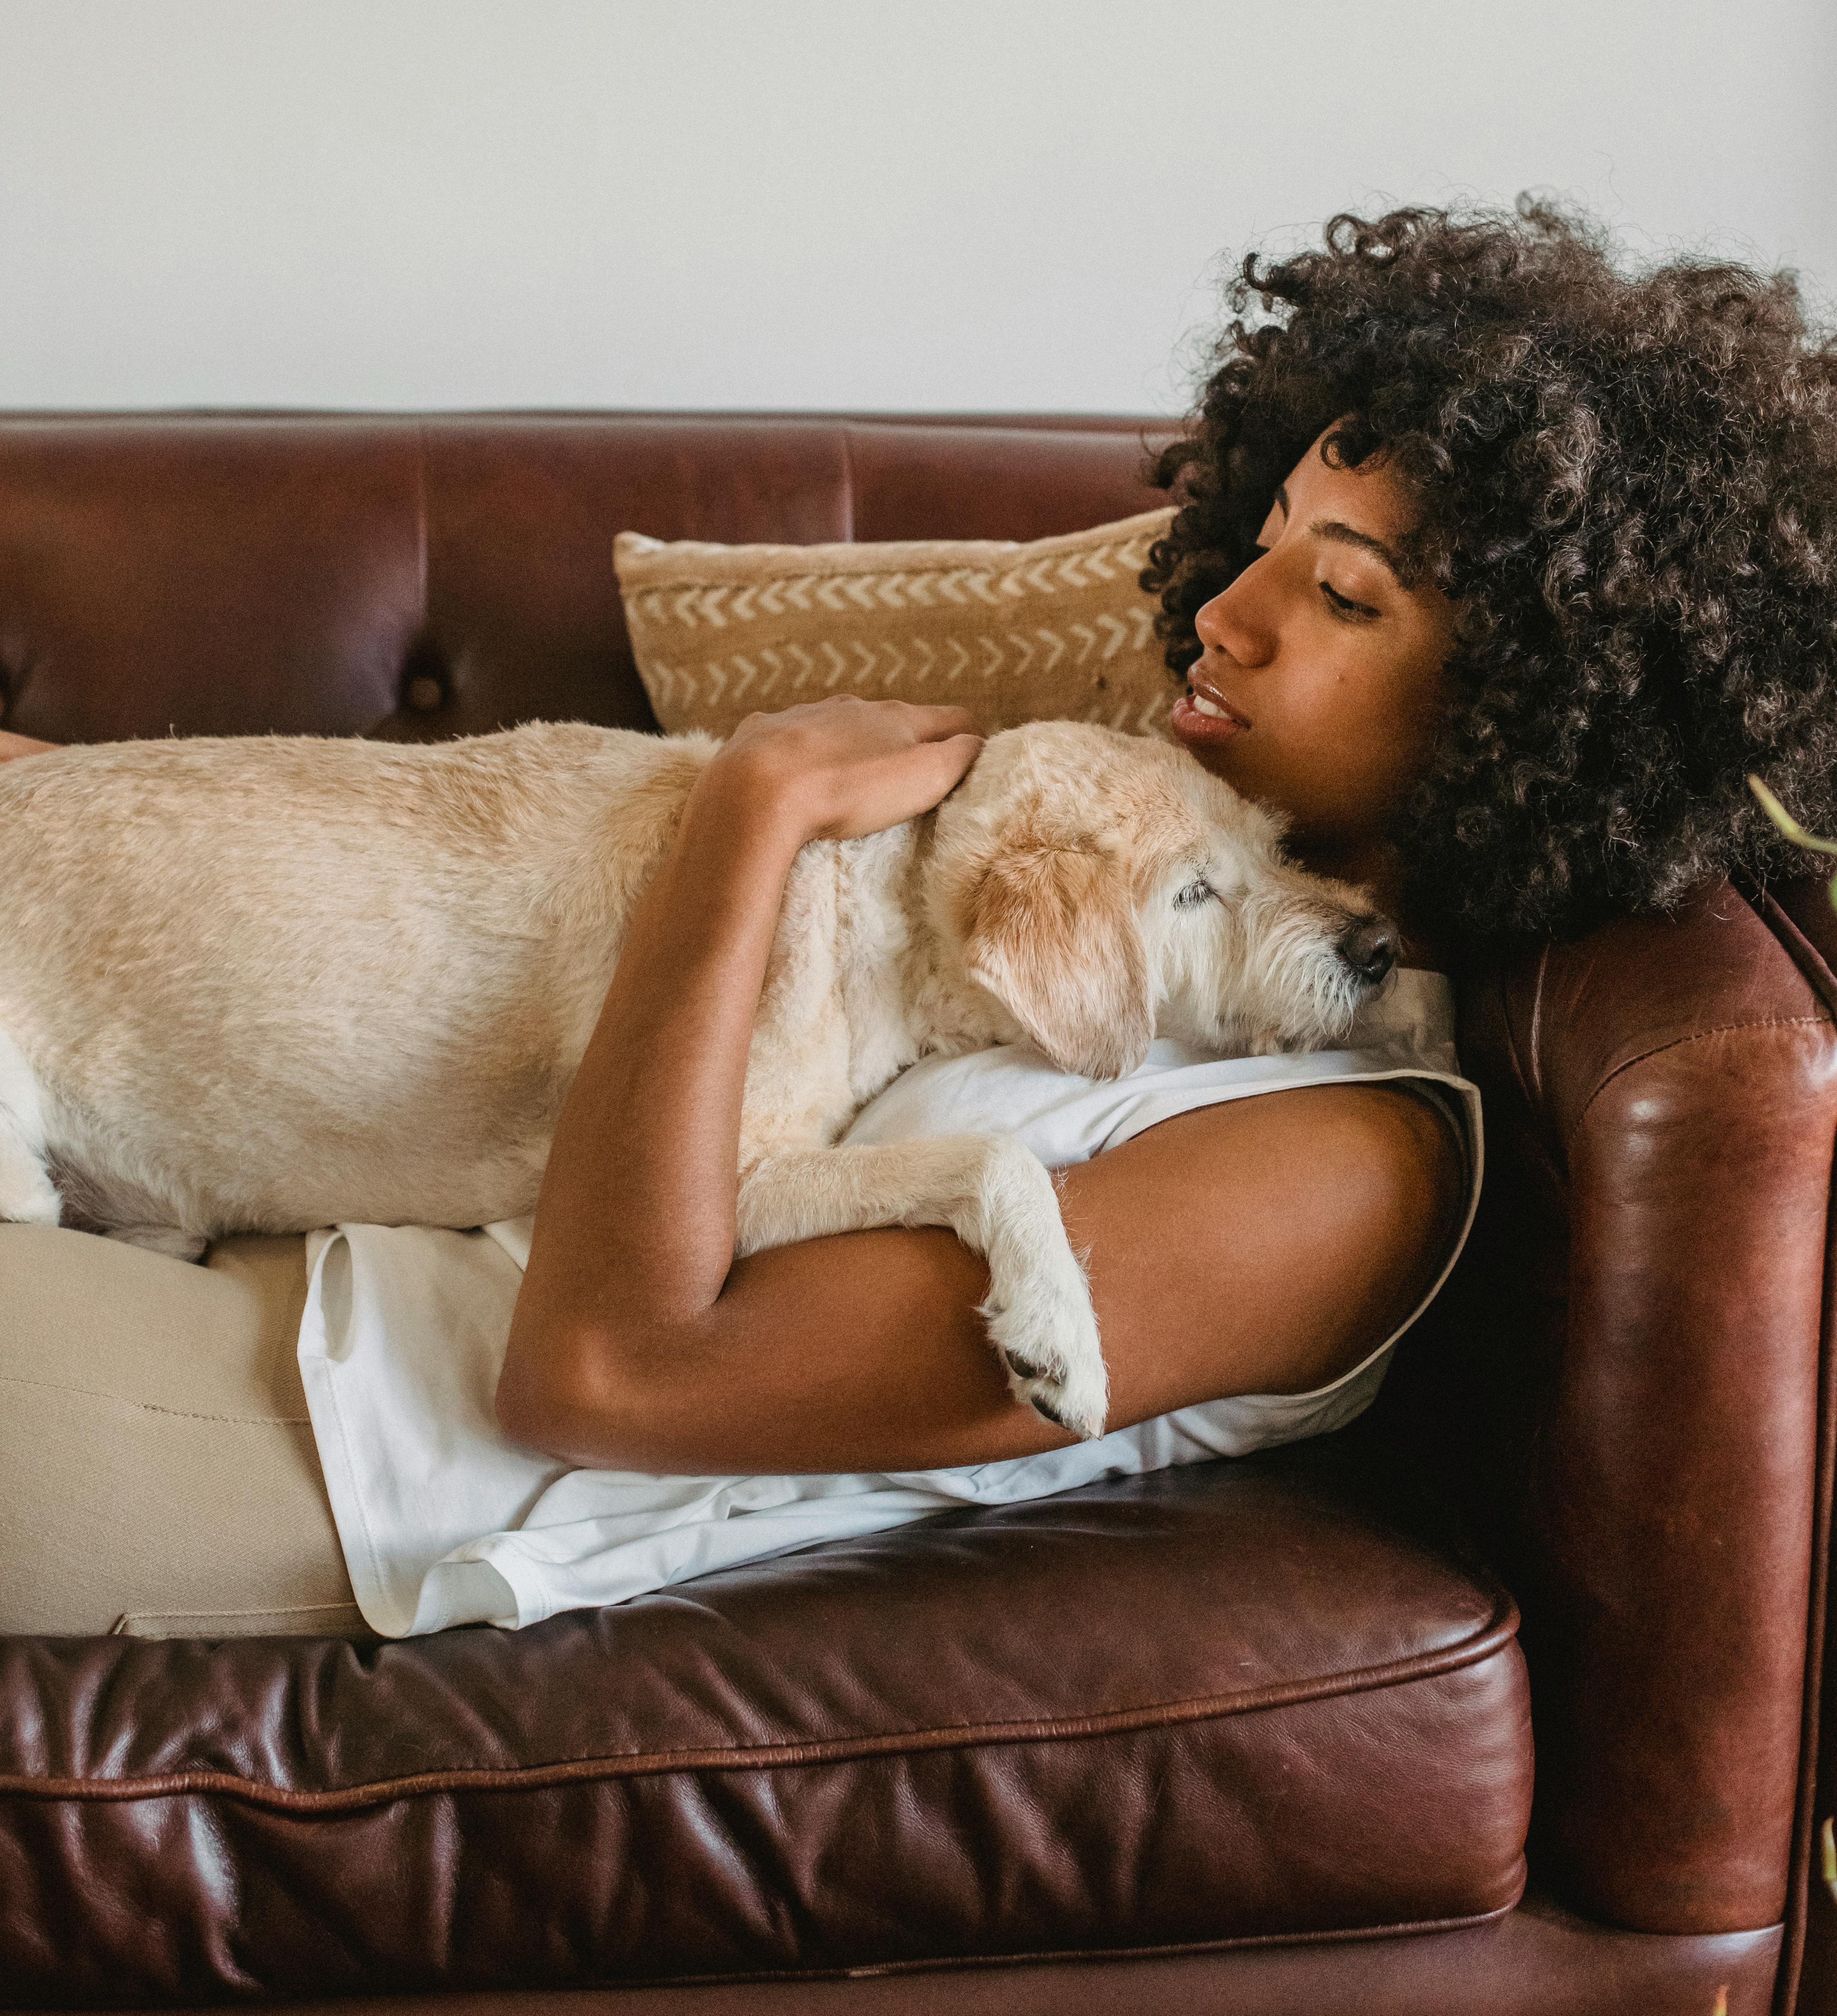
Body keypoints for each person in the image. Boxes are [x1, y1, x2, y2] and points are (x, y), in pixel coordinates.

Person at [2, 197, 1832, 1638]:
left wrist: (748, 816)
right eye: (1263, 532)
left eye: (1343, 598)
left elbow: (605, 1372)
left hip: (310, 1441)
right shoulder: (1150, 851)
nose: (1228, 614)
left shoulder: (1341, 1171)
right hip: (280, 1259)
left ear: (1527, 698)